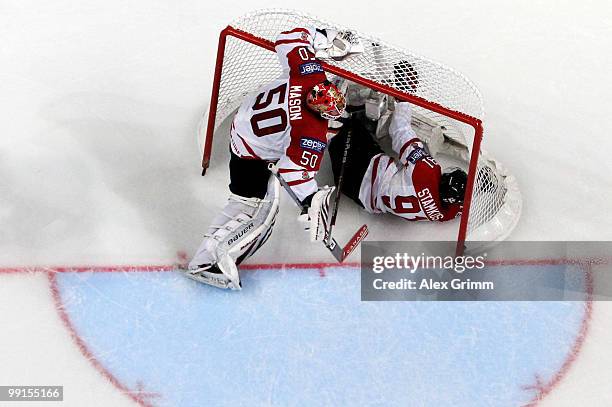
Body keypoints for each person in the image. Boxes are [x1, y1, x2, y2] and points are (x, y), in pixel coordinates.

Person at [185, 27, 350, 289]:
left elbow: (288, 38)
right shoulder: (311, 132)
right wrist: (311, 200)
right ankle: (210, 262)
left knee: (244, 203)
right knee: (256, 211)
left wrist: (322, 37)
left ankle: (206, 256)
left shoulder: (310, 74)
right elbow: (289, 171)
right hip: (252, 152)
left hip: (244, 124)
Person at [328, 98, 467, 223]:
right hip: (356, 195)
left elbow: (400, 130)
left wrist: (403, 102)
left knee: (344, 120)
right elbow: (458, 206)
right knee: (337, 137)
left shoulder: (426, 172)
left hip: (361, 164)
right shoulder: (443, 213)